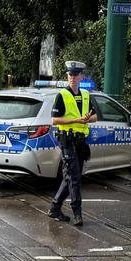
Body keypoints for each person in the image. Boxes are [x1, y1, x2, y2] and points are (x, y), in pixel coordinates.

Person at [49, 60, 97, 227]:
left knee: (71, 176)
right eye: (70, 75)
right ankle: (77, 213)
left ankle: (55, 207)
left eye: (76, 75)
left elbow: (95, 116)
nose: (73, 78)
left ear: (81, 77)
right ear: (67, 76)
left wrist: (87, 119)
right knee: (74, 177)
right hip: (67, 140)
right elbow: (54, 119)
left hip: (81, 141)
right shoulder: (62, 95)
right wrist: (77, 119)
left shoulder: (85, 94)